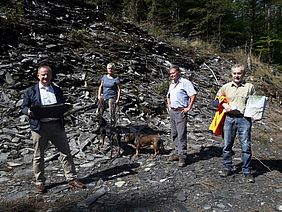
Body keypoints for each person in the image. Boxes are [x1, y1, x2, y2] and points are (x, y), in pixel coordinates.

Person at [21, 65, 86, 193]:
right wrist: (30, 112)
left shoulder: (57, 90)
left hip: (57, 126)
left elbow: (61, 105)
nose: (45, 77)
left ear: (51, 76)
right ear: (38, 75)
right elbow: (23, 107)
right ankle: (40, 182)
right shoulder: (30, 91)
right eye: (43, 74)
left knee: (65, 152)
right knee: (38, 156)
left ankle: (71, 178)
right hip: (40, 127)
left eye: (48, 74)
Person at [215, 64, 255, 183]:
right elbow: (216, 101)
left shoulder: (250, 87)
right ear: (231, 74)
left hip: (244, 119)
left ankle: (247, 171)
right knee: (227, 145)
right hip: (229, 119)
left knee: (246, 146)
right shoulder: (226, 87)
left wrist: (256, 114)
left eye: (239, 73)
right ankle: (227, 167)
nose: (237, 76)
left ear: (243, 74)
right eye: (235, 73)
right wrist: (224, 105)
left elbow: (254, 103)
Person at [166, 65, 197, 167]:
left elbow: (193, 95)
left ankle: (182, 156)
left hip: (181, 111)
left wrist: (188, 107)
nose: (172, 75)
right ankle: (177, 152)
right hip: (173, 111)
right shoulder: (172, 84)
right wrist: (169, 106)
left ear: (178, 72)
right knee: (174, 133)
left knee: (181, 134)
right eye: (170, 74)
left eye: (173, 73)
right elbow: (168, 96)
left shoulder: (185, 83)